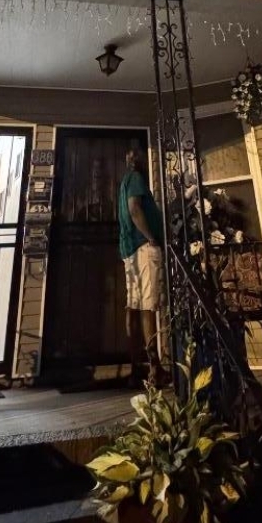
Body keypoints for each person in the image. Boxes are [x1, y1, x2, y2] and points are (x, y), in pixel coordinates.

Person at [118, 147, 167, 386]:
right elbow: (134, 208)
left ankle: (135, 367)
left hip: (129, 249)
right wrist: (151, 237)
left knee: (134, 306)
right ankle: (155, 369)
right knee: (148, 306)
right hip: (142, 248)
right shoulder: (136, 179)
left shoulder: (125, 182)